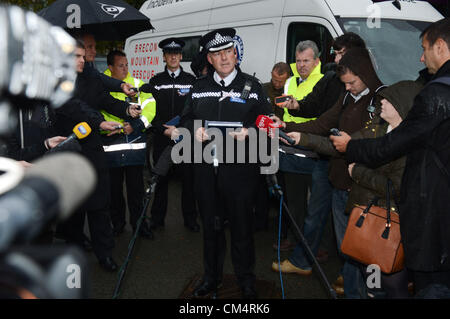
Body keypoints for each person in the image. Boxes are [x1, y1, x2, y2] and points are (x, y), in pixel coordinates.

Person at [331, 17, 450, 296]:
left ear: (441, 46)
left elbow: (391, 147)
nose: (421, 57)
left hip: (426, 221)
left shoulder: (436, 95)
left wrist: (352, 154)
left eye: (424, 48)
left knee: (427, 287)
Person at [278, 47, 386, 298]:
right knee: (347, 248)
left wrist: (309, 139)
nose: (347, 88)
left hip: (366, 190)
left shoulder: (382, 100)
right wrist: (291, 128)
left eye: (351, 82)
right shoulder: (348, 97)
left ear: (365, 74)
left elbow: (372, 143)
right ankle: (352, 293)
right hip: (340, 182)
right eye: (344, 83)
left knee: (368, 252)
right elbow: (324, 123)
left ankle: (372, 293)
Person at [180, 28, 272, 298]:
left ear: (235, 53)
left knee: (243, 228)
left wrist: (250, 133)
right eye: (217, 54)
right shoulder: (198, 88)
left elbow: (267, 124)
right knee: (211, 227)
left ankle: (245, 280)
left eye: (227, 52)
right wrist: (193, 130)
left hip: (241, 171)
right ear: (209, 59)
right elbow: (184, 119)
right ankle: (211, 278)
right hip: (206, 170)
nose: (223, 58)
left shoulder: (253, 87)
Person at [55, 41, 141, 272]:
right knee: (73, 204)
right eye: (76, 56)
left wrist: (125, 109)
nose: (82, 60)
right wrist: (99, 121)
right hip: (67, 148)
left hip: (92, 147)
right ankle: (74, 247)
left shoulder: (89, 76)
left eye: (84, 56)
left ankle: (105, 253)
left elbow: (103, 99)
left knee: (99, 203)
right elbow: (75, 106)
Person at [139, 38, 199, 232]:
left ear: (181, 56)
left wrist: (181, 130)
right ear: (164, 57)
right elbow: (149, 111)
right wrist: (161, 128)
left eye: (176, 53)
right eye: (169, 53)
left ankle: (190, 220)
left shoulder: (191, 82)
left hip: (185, 139)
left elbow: (195, 111)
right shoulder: (156, 82)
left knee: (189, 182)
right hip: (162, 138)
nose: (173, 56)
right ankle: (157, 219)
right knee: (161, 180)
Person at [101, 50, 156, 239]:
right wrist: (112, 126)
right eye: (120, 65)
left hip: (134, 147)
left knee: (136, 192)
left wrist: (137, 125)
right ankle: (117, 224)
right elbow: (96, 113)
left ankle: (140, 225)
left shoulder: (138, 84)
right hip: (111, 148)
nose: (125, 69)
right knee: (114, 193)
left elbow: (150, 108)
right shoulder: (101, 85)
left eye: (126, 65)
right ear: (110, 67)